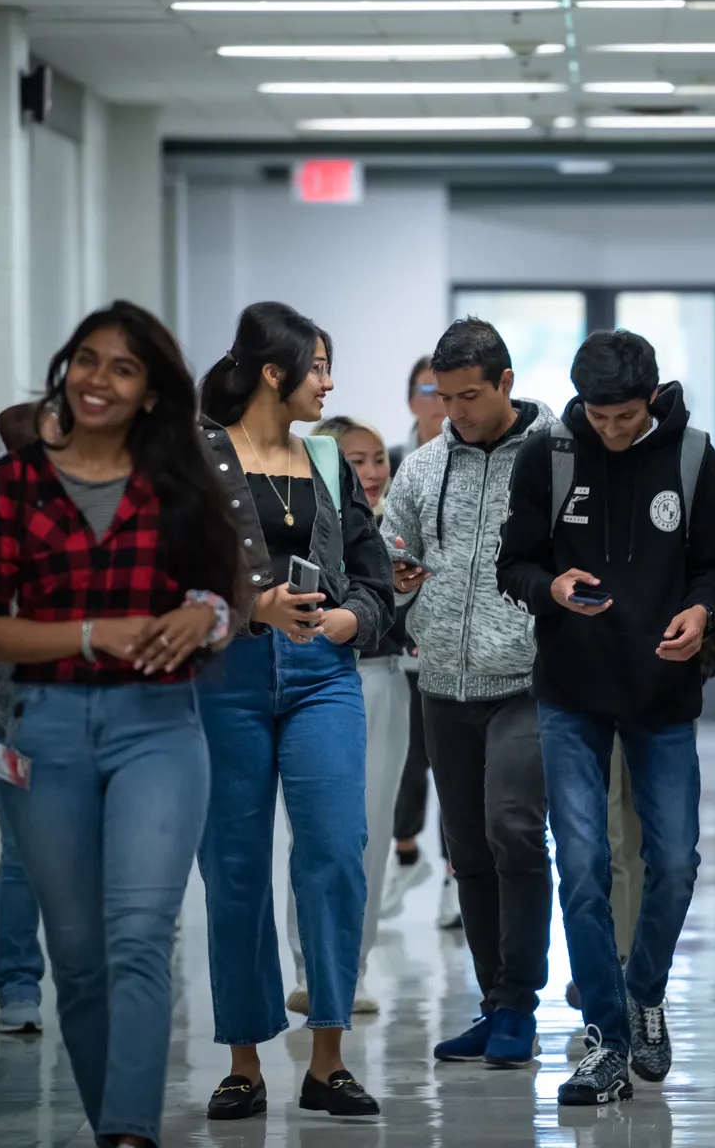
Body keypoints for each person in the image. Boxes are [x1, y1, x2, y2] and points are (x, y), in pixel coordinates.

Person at [0, 300, 240, 1148]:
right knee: (77, 957)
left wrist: (206, 613)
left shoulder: (181, 480)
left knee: (139, 938)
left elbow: (227, 595)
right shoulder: (12, 483)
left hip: (158, 727)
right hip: (43, 726)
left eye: (123, 368)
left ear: (151, 392)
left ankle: (127, 1134)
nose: (99, 380)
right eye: (87, 360)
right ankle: (112, 1120)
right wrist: (91, 634)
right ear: (65, 369)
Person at [497, 329, 715, 1105]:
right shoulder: (549, 455)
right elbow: (515, 562)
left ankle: (645, 992)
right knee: (582, 865)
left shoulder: (692, 458)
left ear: (652, 398)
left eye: (626, 416)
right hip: (570, 692)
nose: (611, 430)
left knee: (674, 862)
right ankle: (606, 1037)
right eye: (599, 416)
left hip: (662, 694)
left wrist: (702, 611)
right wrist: (550, 588)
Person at [193, 302, 393, 1121]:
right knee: (235, 865)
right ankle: (244, 1062)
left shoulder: (327, 459)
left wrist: (354, 618)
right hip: (226, 677)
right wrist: (253, 609)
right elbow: (171, 574)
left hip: (322, 676)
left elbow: (373, 576)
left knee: (336, 853)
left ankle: (329, 1060)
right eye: (318, 367)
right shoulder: (197, 456)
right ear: (273, 373)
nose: (329, 384)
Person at [382, 318, 557, 1069]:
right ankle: (496, 1004)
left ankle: (519, 1001)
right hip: (442, 682)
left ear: (505, 383)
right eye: (444, 398)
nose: (456, 412)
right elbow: (389, 553)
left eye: (470, 397)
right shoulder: (423, 468)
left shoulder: (557, 455)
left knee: (513, 827)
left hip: (528, 680)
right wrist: (398, 578)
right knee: (468, 850)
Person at [278, 414, 409, 1016]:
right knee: (316, 831)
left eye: (378, 458)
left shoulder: (397, 530)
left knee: (370, 832)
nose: (372, 472)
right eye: (356, 461)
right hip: (315, 679)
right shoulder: (302, 523)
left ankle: (351, 970)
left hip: (382, 681)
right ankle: (310, 967)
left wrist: (403, 586)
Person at [0, 399, 60, 1035]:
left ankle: (93, 982)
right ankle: (19, 984)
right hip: (4, 711)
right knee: (22, 851)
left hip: (87, 705)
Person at [384, 352, 461, 929]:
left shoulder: (468, 460)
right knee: (406, 765)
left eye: (444, 389)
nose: (435, 400)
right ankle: (406, 853)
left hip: (454, 641)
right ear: (411, 397)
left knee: (454, 769)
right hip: (395, 641)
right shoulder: (386, 463)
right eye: (425, 389)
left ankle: (455, 878)